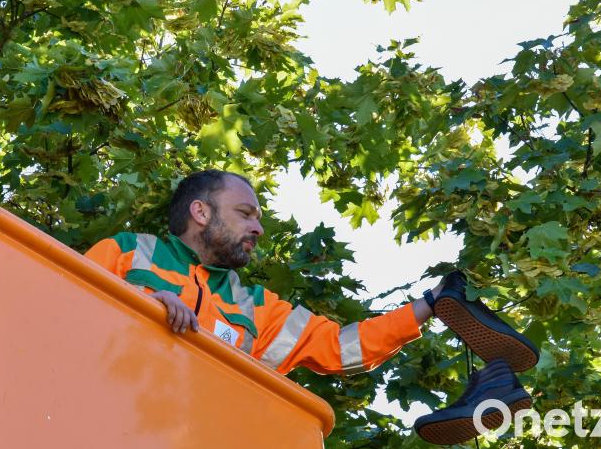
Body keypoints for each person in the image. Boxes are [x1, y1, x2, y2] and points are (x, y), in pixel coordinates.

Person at [84, 170, 539, 443]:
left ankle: (483, 366)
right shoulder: (127, 252)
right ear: (201, 213)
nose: (258, 228)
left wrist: (430, 305)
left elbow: (340, 347)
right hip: (104, 421)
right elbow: (69, 314)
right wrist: (143, 305)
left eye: (259, 218)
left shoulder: (256, 306)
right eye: (246, 213)